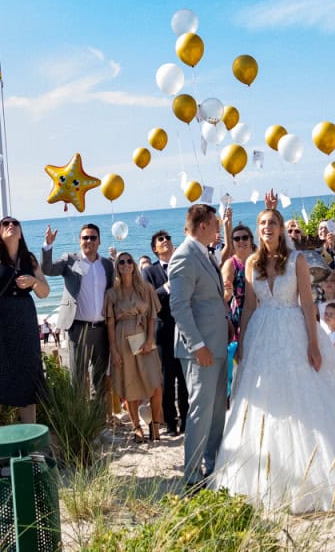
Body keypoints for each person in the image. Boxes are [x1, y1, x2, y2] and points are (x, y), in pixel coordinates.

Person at [210, 207, 335, 512]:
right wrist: (243, 343)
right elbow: (249, 306)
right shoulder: (252, 263)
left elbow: (307, 305)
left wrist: (314, 346)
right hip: (261, 335)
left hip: (294, 331)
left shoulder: (296, 260)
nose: (267, 227)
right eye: (262, 223)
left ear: (280, 228)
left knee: (308, 395)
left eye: (272, 222)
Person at [0, 166, 49, 427]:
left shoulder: (28, 259)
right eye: (6, 223)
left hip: (23, 321)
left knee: (27, 378)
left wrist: (33, 281)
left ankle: (30, 436)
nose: (11, 226)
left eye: (15, 223)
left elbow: (45, 291)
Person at [167, 203, 231, 487]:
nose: (218, 228)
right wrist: (197, 345)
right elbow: (179, 306)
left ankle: (213, 464)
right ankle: (192, 475)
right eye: (215, 224)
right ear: (203, 225)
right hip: (200, 350)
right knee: (200, 411)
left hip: (216, 345)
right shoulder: (184, 256)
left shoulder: (205, 253)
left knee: (216, 411)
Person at [41, 222, 115, 394]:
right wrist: (48, 245)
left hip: (102, 331)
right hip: (78, 329)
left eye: (93, 237)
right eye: (85, 237)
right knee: (78, 380)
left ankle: (98, 420)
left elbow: (113, 292)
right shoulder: (70, 260)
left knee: (100, 380)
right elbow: (48, 269)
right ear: (80, 241)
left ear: (99, 241)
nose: (89, 241)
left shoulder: (106, 265)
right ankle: (79, 420)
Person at [106, 249, 164, 441]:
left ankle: (155, 425)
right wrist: (113, 349)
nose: (125, 264)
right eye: (121, 262)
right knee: (129, 384)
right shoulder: (112, 293)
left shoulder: (145, 288)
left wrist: (149, 340)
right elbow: (111, 323)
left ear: (134, 265)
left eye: (129, 261)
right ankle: (136, 427)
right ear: (117, 267)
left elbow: (153, 316)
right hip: (123, 338)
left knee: (155, 382)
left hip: (143, 336)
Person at [141, 230, 189, 438]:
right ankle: (170, 421)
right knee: (167, 377)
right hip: (163, 328)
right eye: (161, 239)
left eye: (169, 238)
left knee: (185, 375)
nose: (166, 241)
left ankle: (187, 419)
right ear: (154, 248)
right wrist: (167, 287)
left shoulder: (183, 265)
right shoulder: (149, 272)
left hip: (185, 326)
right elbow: (148, 298)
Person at [219, 223, 250, 344]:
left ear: (251, 239)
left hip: (261, 310)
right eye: (237, 238)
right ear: (233, 243)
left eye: (245, 237)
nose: (241, 241)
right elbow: (224, 297)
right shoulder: (230, 264)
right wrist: (229, 291)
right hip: (241, 314)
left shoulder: (258, 260)